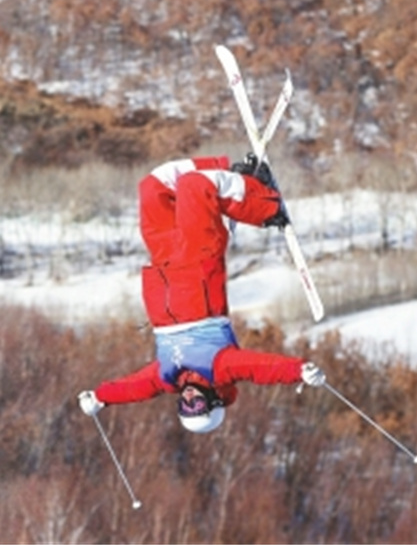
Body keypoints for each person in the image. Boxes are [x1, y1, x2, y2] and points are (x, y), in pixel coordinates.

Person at [77, 155, 326, 432]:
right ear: (215, 400)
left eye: (185, 407)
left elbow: (133, 389)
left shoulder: (166, 377)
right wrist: (299, 371)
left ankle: (227, 170)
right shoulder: (220, 369)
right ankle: (265, 204)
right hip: (198, 264)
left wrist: (100, 398)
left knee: (154, 187)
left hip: (164, 266)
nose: (189, 399)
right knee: (196, 186)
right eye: (197, 406)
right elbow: (260, 368)